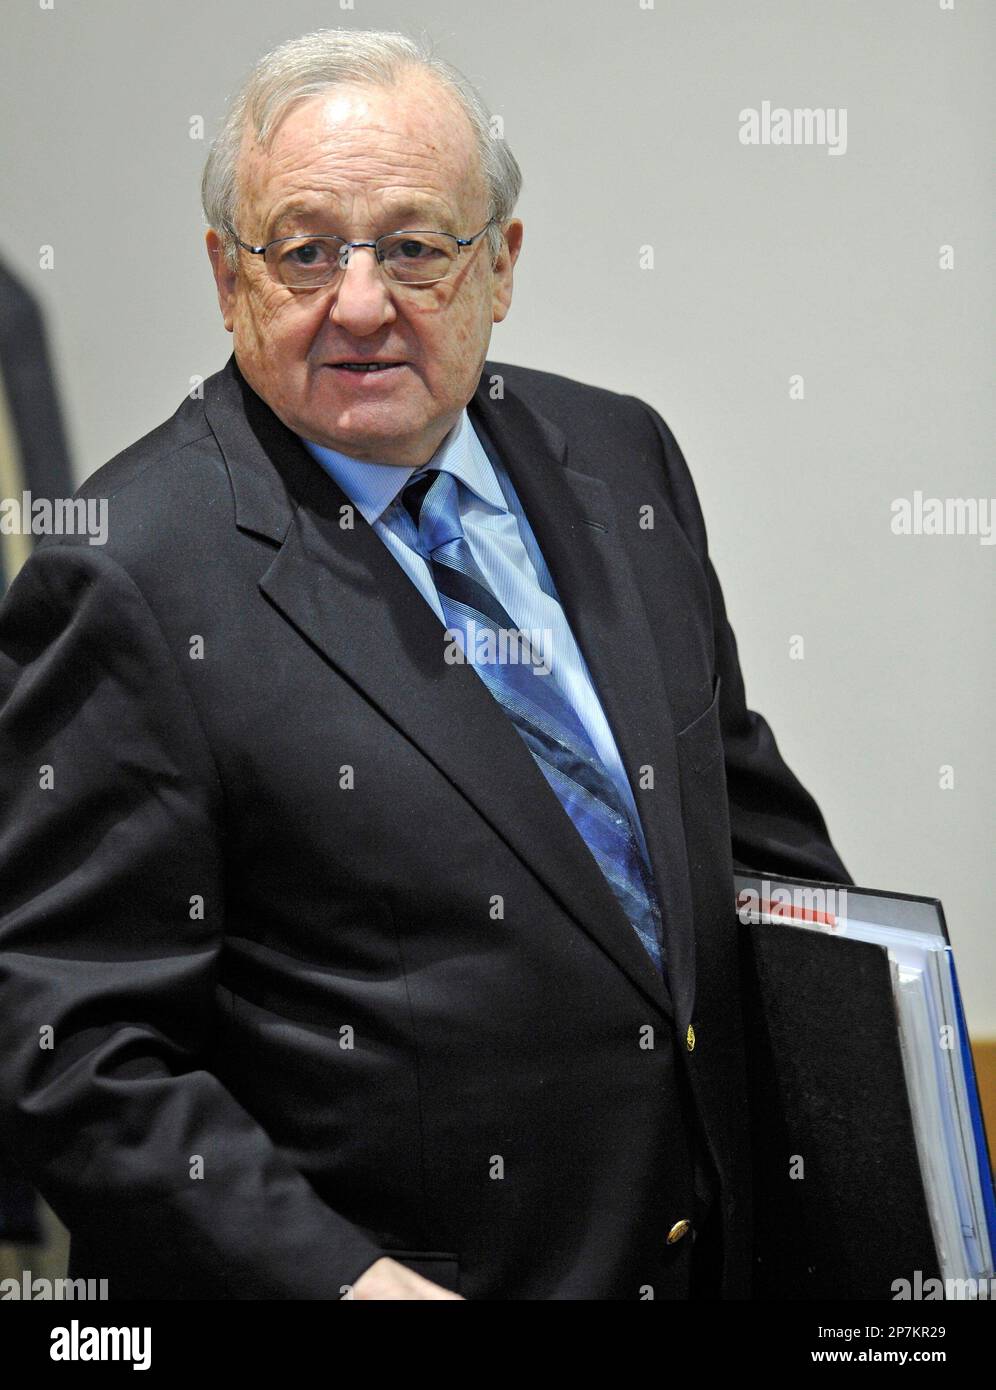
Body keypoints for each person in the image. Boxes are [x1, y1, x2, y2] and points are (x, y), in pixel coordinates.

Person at [0, 28, 850, 1300]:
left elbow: (757, 854)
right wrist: (348, 1284)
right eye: (303, 251)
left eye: (412, 247)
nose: (359, 302)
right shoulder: (129, 572)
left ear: (500, 265)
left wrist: (900, 1141)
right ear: (229, 277)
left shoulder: (620, 460)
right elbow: (72, 1039)